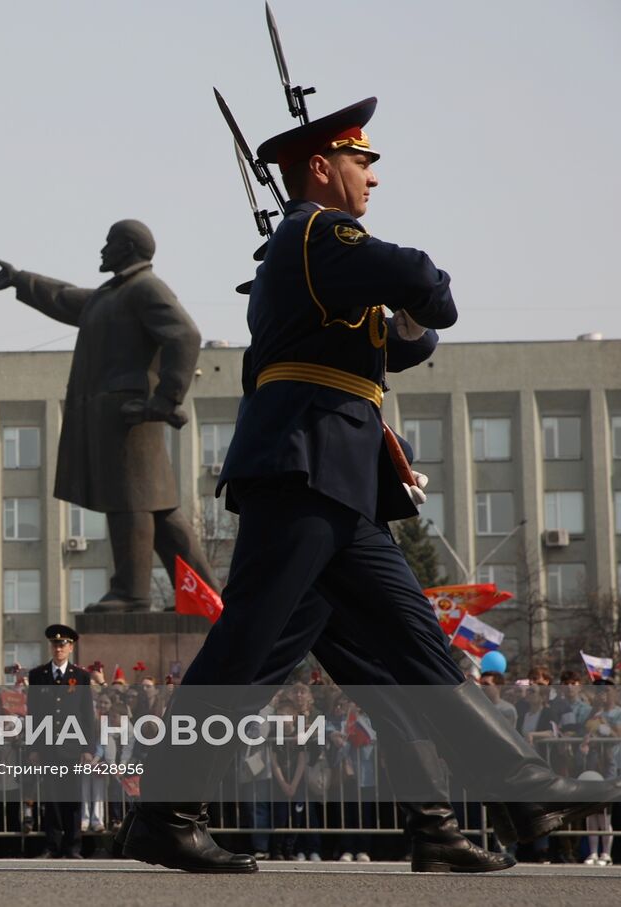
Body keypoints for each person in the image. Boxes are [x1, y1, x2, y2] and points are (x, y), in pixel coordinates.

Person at [121, 97, 619, 873]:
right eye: (361, 162)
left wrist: (402, 312)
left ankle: (490, 802)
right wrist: (412, 292)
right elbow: (425, 280)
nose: (372, 178)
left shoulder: (312, 256)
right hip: (305, 471)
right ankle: (163, 811)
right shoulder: (319, 233)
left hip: (337, 483)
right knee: (249, 643)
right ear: (320, 168)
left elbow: (405, 340)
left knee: (404, 655)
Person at [0, 221, 218, 612]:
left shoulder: (145, 288)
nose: (102, 250)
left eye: (109, 243)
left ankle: (131, 593)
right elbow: (66, 298)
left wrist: (166, 397)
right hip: (115, 416)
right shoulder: (113, 294)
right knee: (156, 508)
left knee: (132, 500)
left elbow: (185, 335)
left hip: (131, 416)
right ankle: (206, 597)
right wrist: (20, 280)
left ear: (126, 247)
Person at [27, 624, 97, 858]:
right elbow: (33, 715)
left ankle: (73, 846)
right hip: (47, 747)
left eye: (63, 644)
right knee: (52, 798)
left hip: (71, 747)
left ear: (71, 647)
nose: (59, 648)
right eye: (55, 644)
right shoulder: (38, 676)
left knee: (73, 799)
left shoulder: (80, 676)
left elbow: (87, 715)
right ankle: (52, 845)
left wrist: (88, 749)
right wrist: (34, 748)